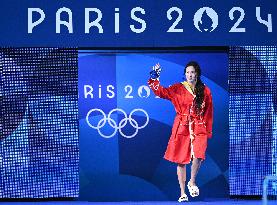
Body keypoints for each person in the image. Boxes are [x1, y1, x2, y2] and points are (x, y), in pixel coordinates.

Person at [147, 61, 213, 202]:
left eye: (193, 72)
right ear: (185, 74)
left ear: (197, 74)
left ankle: (192, 181)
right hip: (182, 125)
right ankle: (183, 192)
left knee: (199, 154)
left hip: (199, 125)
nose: (190, 74)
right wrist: (154, 78)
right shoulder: (178, 88)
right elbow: (161, 92)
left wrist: (208, 130)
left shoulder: (205, 90)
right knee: (181, 160)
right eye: (188, 72)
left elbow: (208, 111)